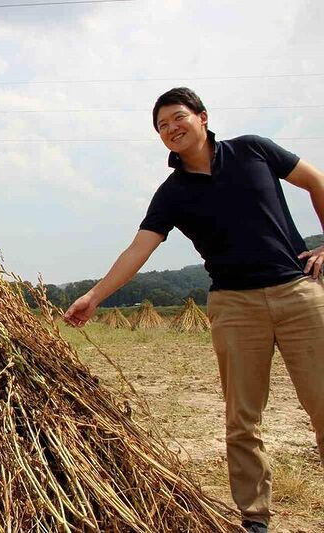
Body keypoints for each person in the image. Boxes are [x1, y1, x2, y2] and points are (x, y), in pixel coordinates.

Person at [64, 87, 324, 533]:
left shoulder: (253, 150)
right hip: (234, 306)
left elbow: (316, 182)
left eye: (178, 117)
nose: (171, 129)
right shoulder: (173, 193)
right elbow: (138, 250)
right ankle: (255, 519)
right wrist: (95, 296)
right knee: (242, 419)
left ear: (202, 117)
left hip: (298, 292)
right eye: (162, 126)